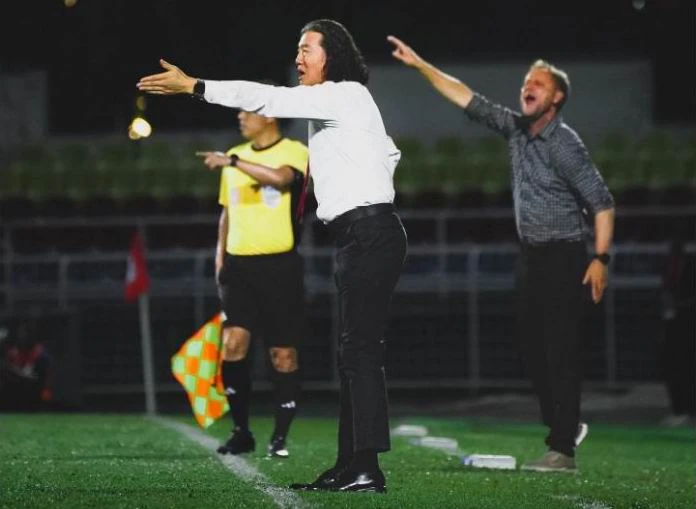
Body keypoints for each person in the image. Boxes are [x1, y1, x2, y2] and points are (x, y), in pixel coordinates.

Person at [138, 19, 407, 493]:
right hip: (362, 234)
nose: (298, 58)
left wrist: (195, 86)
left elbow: (266, 98)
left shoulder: (342, 94)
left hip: (368, 233)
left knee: (360, 352)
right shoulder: (345, 104)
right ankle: (351, 464)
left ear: (332, 55)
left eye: (307, 49)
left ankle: (366, 467)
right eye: (297, 49)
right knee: (353, 353)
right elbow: (390, 153)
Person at [388, 36, 615, 472]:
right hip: (531, 257)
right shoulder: (515, 129)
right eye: (526, 81)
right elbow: (465, 96)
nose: (527, 86)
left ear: (556, 98)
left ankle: (562, 449)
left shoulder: (565, 144)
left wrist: (600, 259)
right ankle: (565, 426)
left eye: (538, 83)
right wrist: (420, 64)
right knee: (531, 349)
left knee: (561, 351)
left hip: (566, 256)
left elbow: (602, 203)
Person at [195, 105, 309, 458]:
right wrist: (220, 261)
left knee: (283, 354)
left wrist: (232, 162)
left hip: (280, 268)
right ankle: (241, 431)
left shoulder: (293, 150)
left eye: (247, 112)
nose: (240, 118)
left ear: (269, 116)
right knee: (232, 345)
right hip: (238, 269)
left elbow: (282, 179)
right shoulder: (236, 155)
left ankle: (280, 437)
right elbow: (227, 212)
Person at [659, 235, 696, 426]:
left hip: (686, 318)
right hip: (674, 318)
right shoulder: (672, 261)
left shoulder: (688, 262)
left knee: (685, 362)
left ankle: (686, 408)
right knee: (673, 361)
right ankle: (680, 408)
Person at [0, 321, 52, 412]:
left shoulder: (40, 354)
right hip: (14, 393)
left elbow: (42, 378)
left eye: (25, 335)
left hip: (33, 392)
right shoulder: (13, 353)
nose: (22, 337)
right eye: (21, 335)